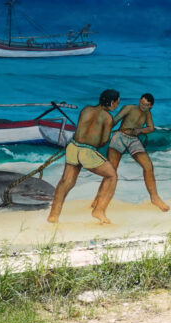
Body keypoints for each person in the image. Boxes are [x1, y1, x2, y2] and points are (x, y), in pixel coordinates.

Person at [47, 89, 121, 224]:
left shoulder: (86, 110)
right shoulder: (108, 118)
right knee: (112, 176)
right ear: (111, 102)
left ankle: (54, 215)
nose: (117, 105)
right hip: (87, 152)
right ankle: (99, 210)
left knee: (66, 182)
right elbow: (103, 140)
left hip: (73, 147)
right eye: (116, 102)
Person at [102, 92, 170, 212]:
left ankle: (155, 198)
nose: (143, 106)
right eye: (142, 103)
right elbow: (114, 121)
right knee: (111, 170)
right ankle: (99, 199)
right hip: (120, 136)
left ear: (150, 106)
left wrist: (140, 130)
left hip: (133, 139)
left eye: (146, 105)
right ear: (139, 100)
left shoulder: (147, 113)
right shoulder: (129, 108)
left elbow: (151, 128)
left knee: (148, 166)